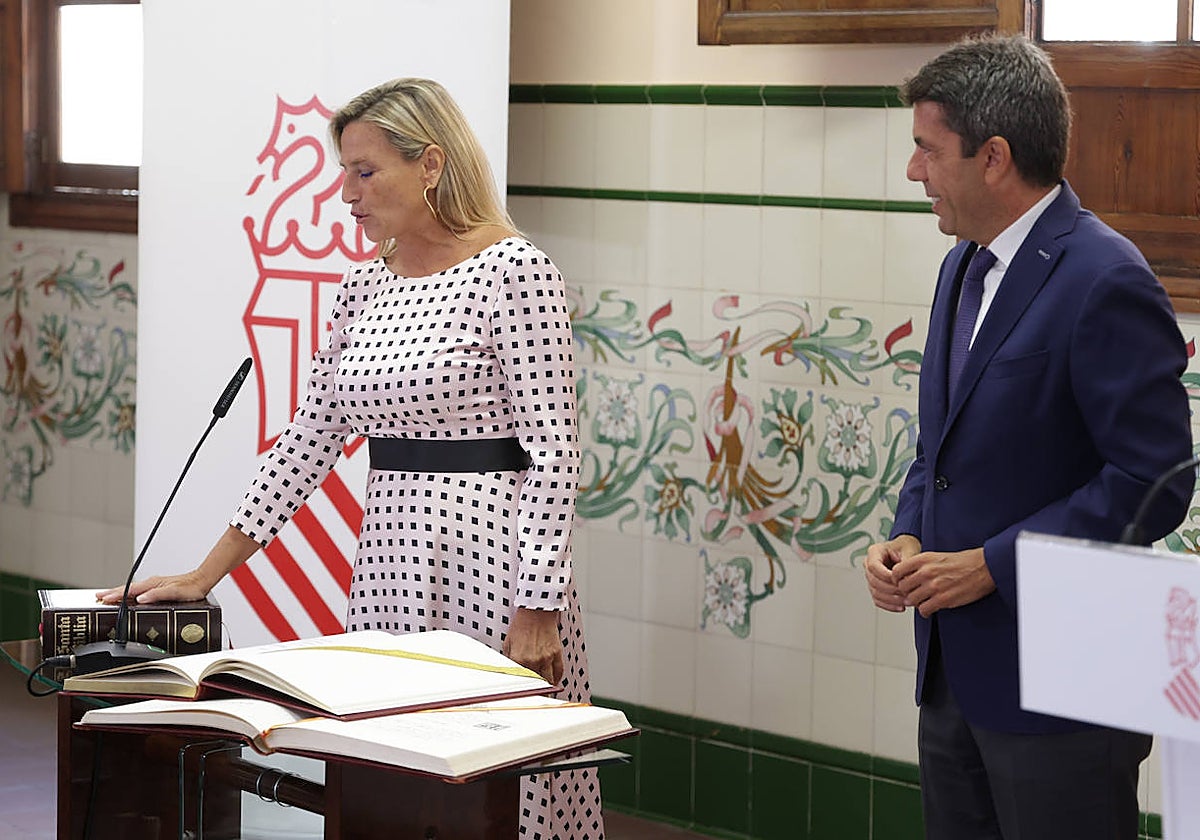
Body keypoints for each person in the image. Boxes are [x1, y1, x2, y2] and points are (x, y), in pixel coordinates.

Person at [98, 78, 603, 840]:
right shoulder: (362, 287)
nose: (346, 194)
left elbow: (554, 453)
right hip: (391, 561)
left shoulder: (514, 271)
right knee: (384, 773)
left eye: (364, 172)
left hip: (494, 565)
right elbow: (309, 437)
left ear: (430, 165)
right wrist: (208, 572)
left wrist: (538, 604)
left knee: (497, 785)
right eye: (342, 173)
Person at [864, 34, 1194, 840]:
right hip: (951, 672)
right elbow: (940, 445)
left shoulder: (1105, 277)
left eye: (926, 149)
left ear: (995, 158)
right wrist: (907, 531)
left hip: (1069, 684)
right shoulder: (962, 263)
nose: (914, 172)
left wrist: (992, 565)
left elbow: (1155, 484)